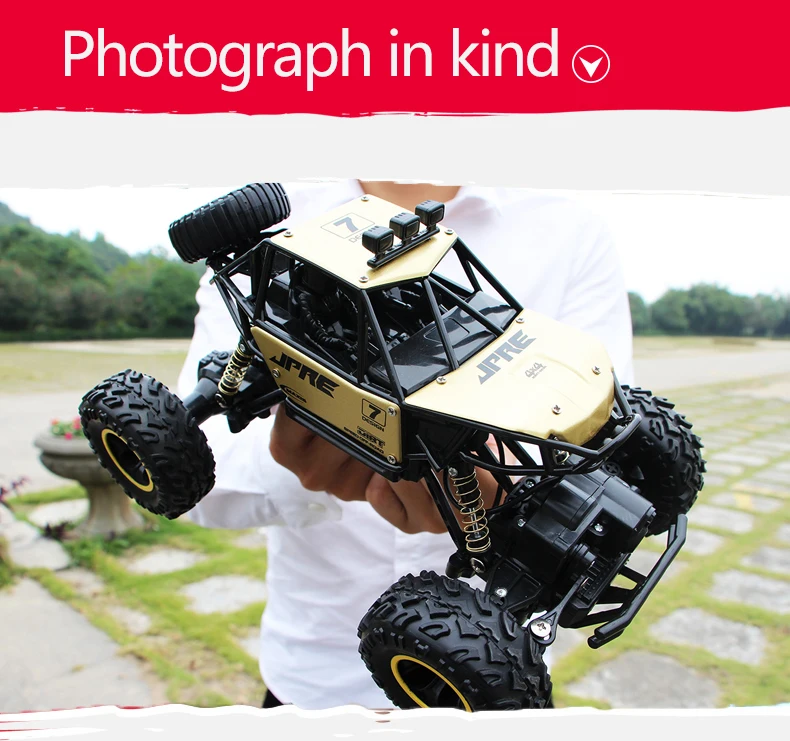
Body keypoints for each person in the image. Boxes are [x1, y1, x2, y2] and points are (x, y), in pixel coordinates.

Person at [176, 179, 635, 710]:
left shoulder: (566, 226)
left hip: (487, 670)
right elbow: (195, 472)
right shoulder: (282, 225)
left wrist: (516, 476)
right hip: (318, 679)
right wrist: (301, 462)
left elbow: (607, 419)